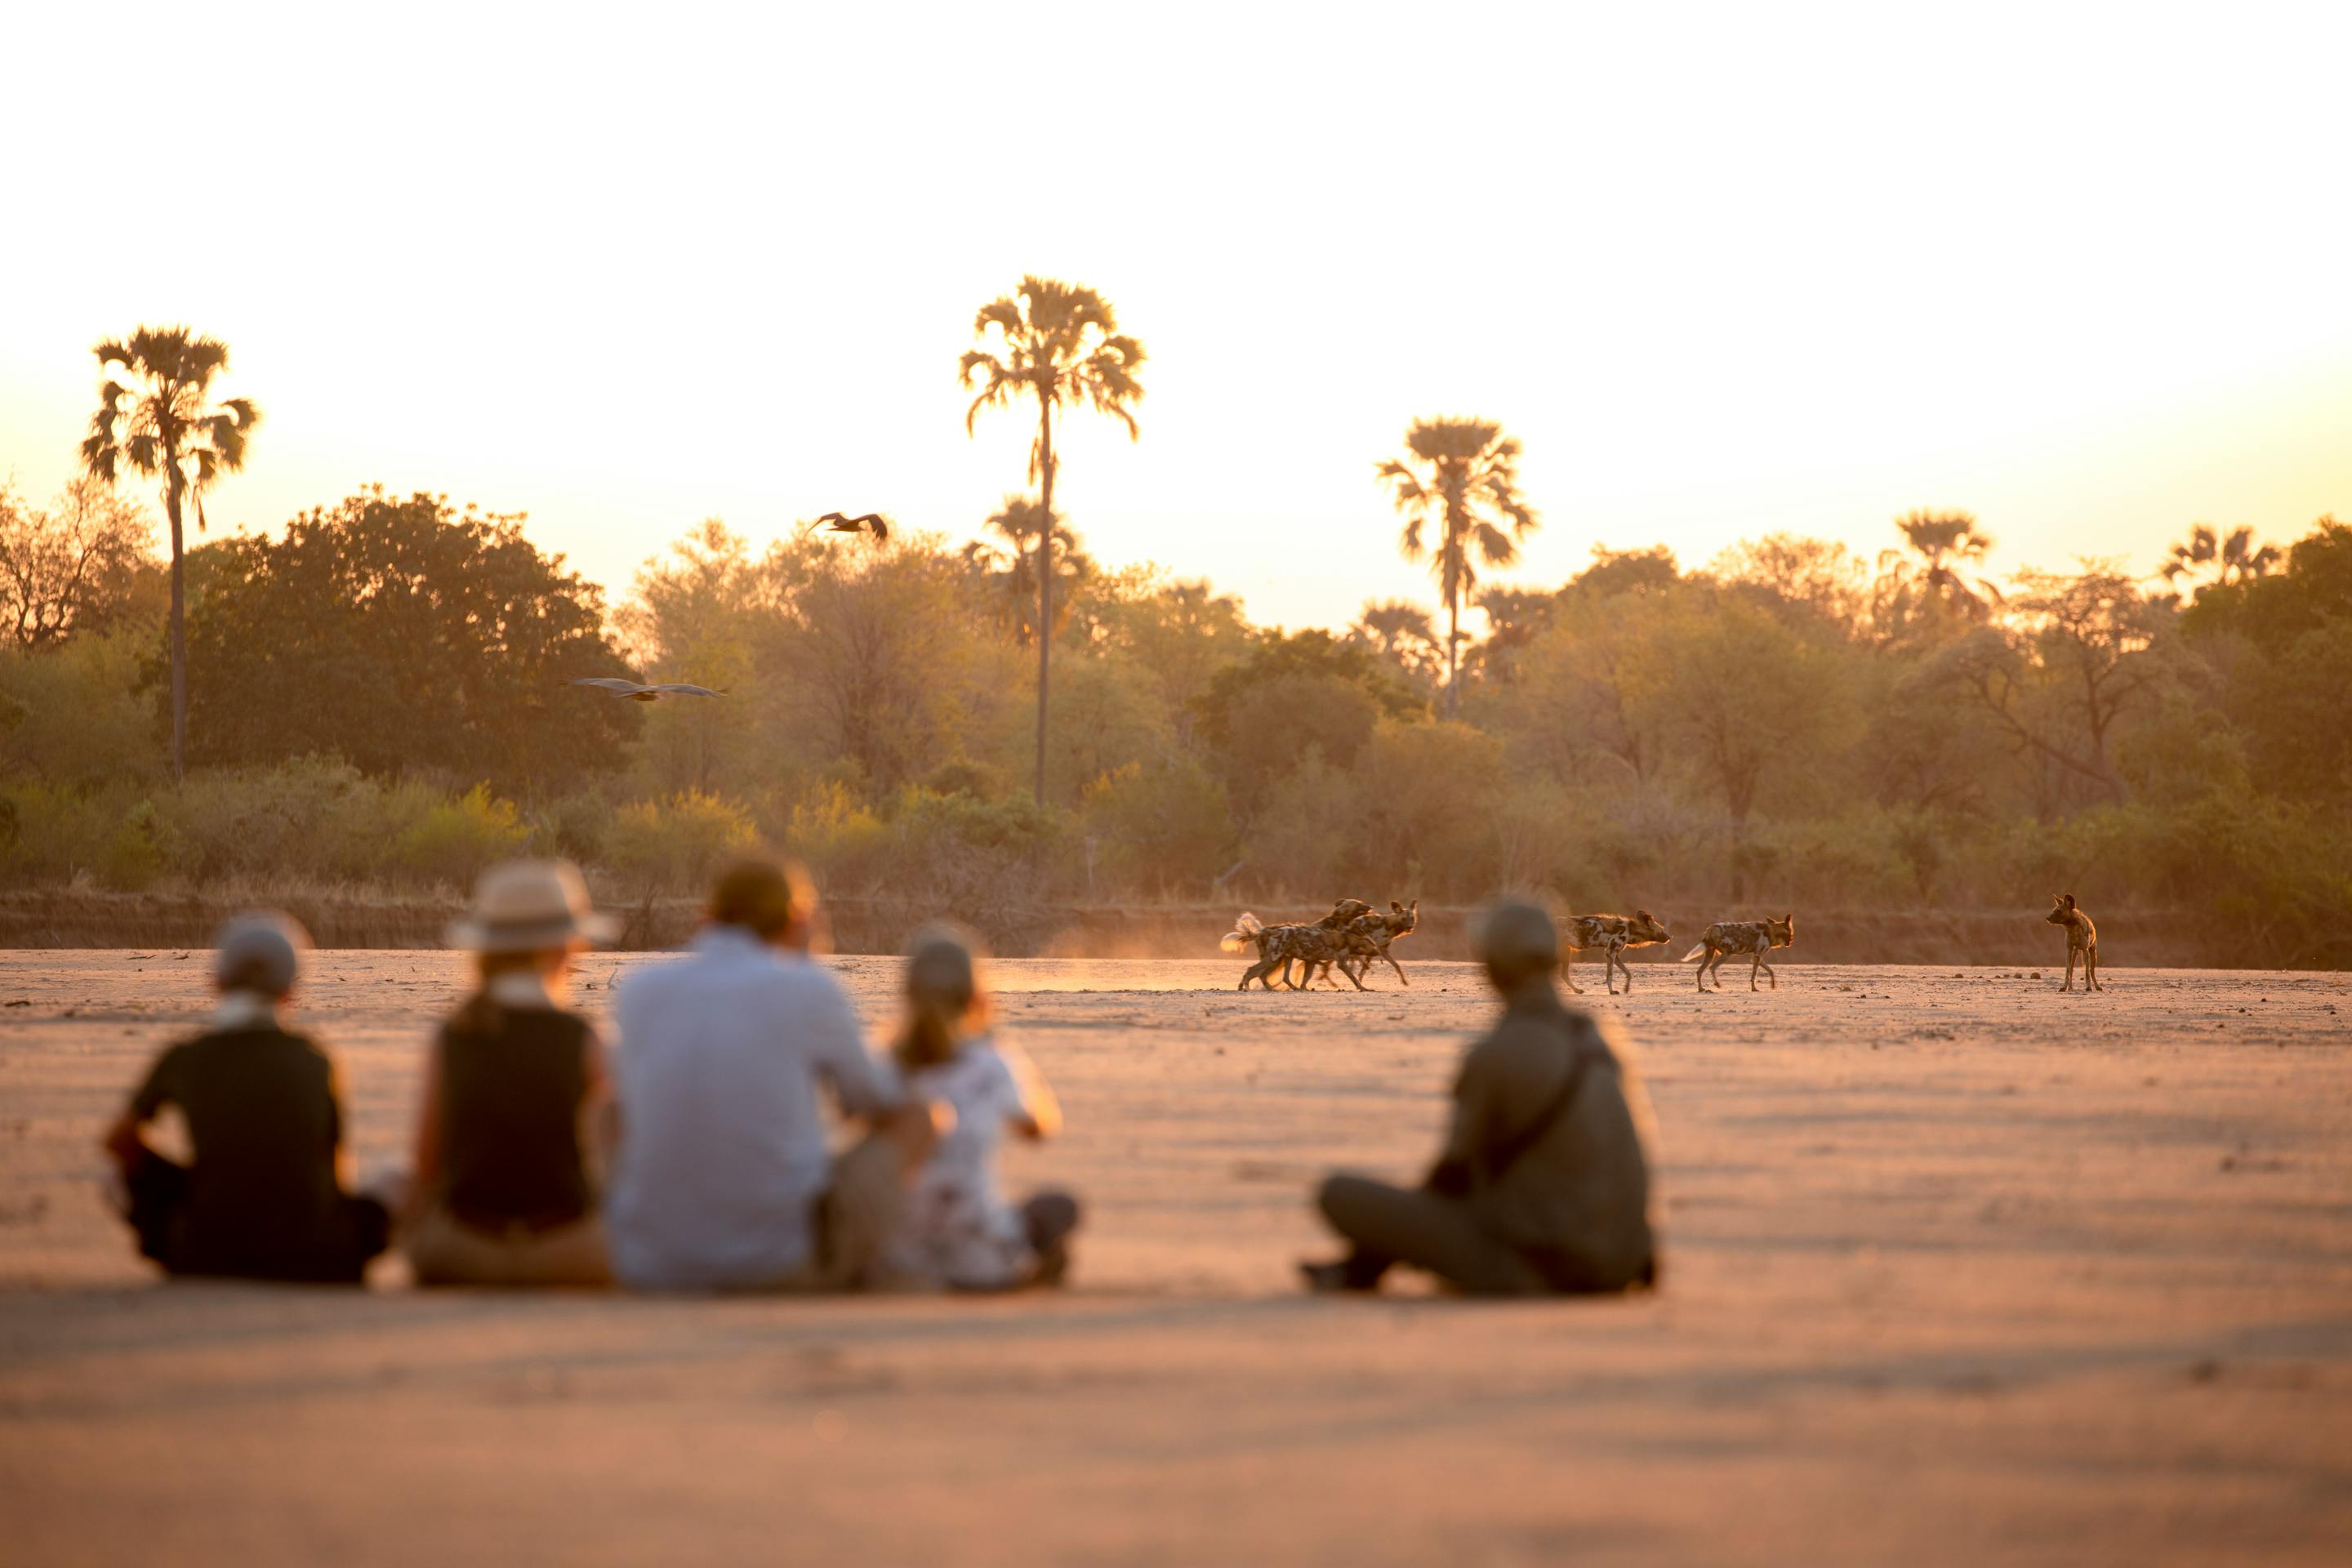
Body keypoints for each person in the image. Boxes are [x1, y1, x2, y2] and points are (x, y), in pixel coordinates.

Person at [603, 858, 940, 1291]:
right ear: (797, 920)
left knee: (609, 1110)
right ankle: (875, 1255)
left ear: (708, 916)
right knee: (921, 1117)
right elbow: (874, 1099)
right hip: (778, 1262)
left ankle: (637, 1226)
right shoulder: (809, 987)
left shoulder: (640, 988)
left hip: (650, 1265)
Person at [1301, 899, 1661, 1296]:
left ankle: (1364, 1268)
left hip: (1544, 1266)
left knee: (1339, 1193)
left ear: (1491, 968)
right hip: (1624, 1261)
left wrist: (1380, 1248)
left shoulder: (1498, 1051)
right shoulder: (1597, 1039)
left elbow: (1453, 1174)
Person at [100, 912, 390, 1284]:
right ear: (290, 990)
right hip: (316, 1255)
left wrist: (177, 1181)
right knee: (395, 1176)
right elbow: (333, 1172)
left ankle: (171, 1240)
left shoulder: (185, 1056)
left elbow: (118, 1142)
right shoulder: (316, 1060)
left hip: (201, 1250)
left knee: (112, 1175)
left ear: (216, 982)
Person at [402, 861, 617, 1288]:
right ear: (563, 949)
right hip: (569, 1254)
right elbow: (621, 1149)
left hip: (462, 1254)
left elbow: (427, 1163)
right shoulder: (581, 1037)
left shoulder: (453, 1035)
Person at [879, 925, 1080, 1290]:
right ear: (975, 995)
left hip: (900, 1258)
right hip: (982, 1263)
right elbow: (1039, 1129)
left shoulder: (886, 1064)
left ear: (907, 994)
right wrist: (997, 1042)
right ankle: (1026, 1263)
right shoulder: (991, 1060)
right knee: (1059, 1206)